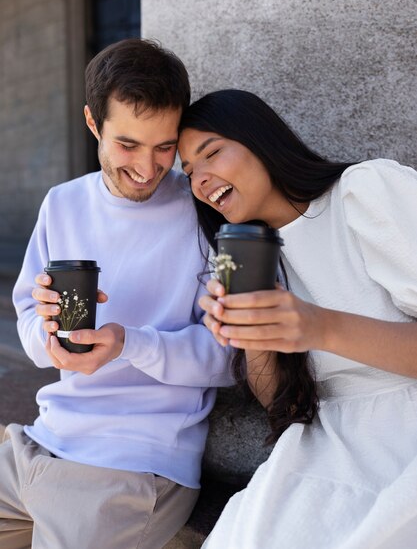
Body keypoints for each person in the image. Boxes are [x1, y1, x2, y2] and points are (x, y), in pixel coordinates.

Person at [1, 39, 233, 549]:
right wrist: (49, 335)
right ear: (93, 124)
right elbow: (26, 319)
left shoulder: (206, 212)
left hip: (134, 463)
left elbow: (229, 358)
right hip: (39, 442)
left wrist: (130, 343)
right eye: (128, 145)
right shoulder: (62, 203)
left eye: (164, 147)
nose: (148, 169)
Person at [177, 88, 417, 548]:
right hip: (329, 444)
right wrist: (250, 332)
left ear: (260, 139)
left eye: (211, 155)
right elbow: (279, 406)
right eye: (189, 172)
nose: (200, 180)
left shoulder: (362, 192)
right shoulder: (249, 256)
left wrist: (318, 325)